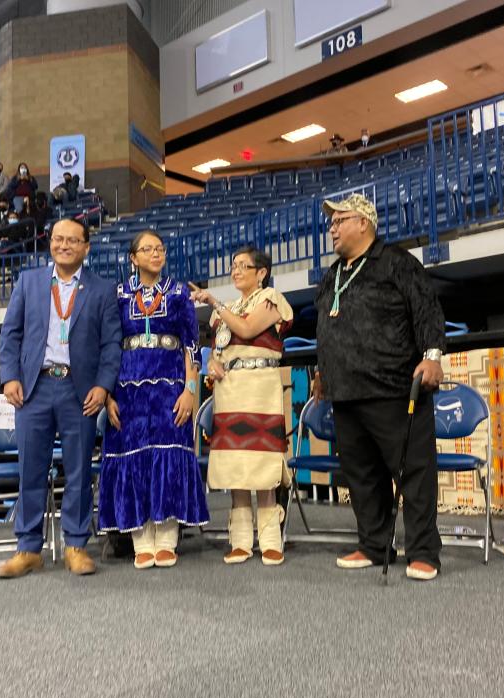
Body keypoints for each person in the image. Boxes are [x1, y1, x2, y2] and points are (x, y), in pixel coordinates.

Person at [313, 194, 445, 581]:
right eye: (331, 223)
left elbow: (427, 311)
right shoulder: (332, 273)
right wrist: (323, 370)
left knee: (413, 473)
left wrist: (433, 355)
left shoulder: (397, 262)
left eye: (340, 221)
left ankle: (423, 551)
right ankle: (373, 543)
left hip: (392, 385)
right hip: (345, 390)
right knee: (362, 475)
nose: (332, 229)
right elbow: (325, 324)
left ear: (364, 223)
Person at [0, 218, 122, 578]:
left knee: (80, 469)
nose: (64, 245)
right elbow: (11, 335)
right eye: (58, 239)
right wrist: (10, 377)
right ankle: (28, 548)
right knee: (30, 469)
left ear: (86, 247)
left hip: (78, 390)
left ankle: (77, 545)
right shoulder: (29, 281)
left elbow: (111, 344)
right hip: (33, 389)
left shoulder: (101, 289)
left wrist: (103, 385)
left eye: (73, 240)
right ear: (50, 243)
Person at [99, 231, 208, 569]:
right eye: (147, 249)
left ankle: (167, 537)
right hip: (127, 388)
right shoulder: (118, 294)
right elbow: (108, 346)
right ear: (133, 258)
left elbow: (191, 344)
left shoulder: (178, 292)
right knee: (133, 456)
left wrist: (190, 390)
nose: (155, 254)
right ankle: (140, 538)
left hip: (170, 387)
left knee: (170, 454)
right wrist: (107, 396)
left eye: (159, 248)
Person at [189, 247, 294, 565]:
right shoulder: (226, 309)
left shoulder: (271, 298)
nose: (235, 271)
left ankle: (270, 537)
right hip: (230, 391)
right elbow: (219, 346)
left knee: (261, 462)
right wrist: (213, 364)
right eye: (233, 266)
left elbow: (248, 328)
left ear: (261, 272)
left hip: (260, 387)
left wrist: (213, 301)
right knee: (236, 466)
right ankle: (240, 539)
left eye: (243, 266)